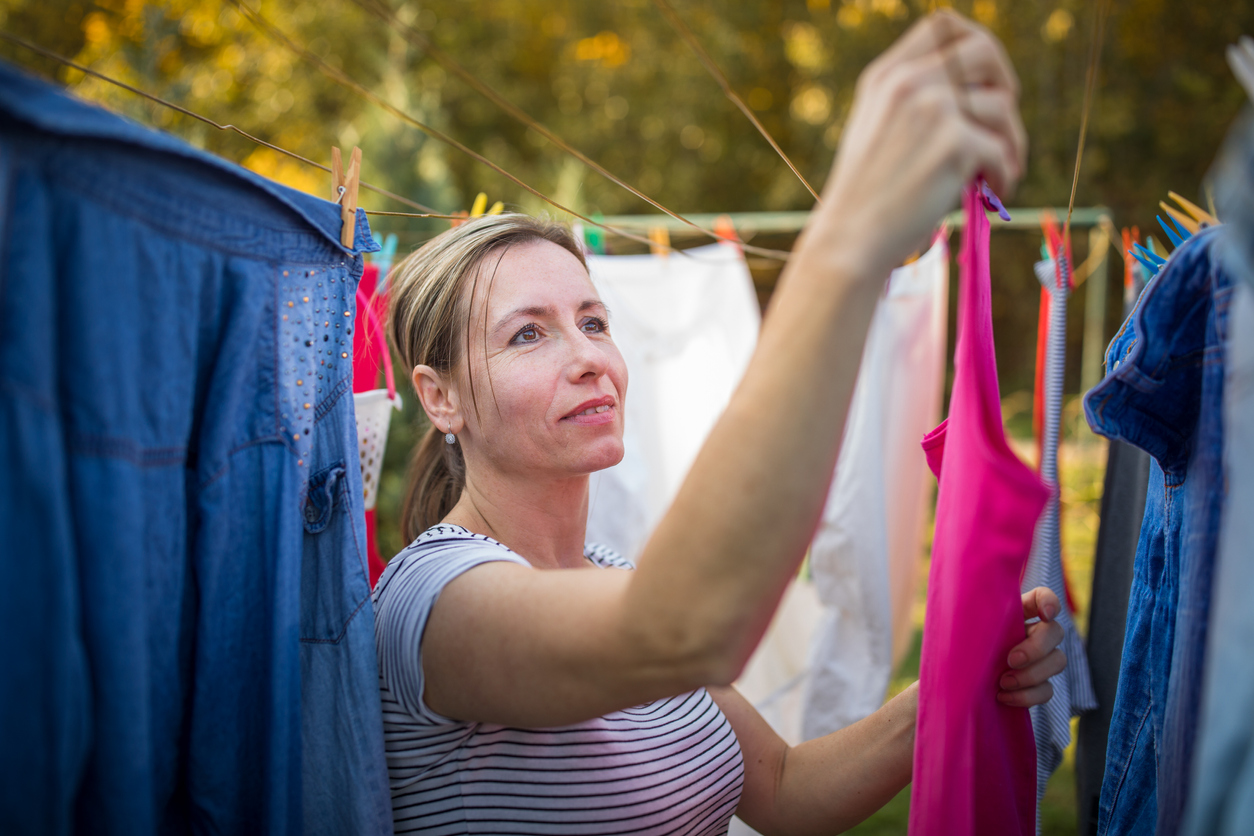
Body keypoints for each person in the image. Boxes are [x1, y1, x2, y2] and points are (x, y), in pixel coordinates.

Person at [373, 11, 1066, 835]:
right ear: (438, 396)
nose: (589, 355)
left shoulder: (607, 571)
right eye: (528, 333)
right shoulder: (436, 601)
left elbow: (780, 787)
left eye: (594, 322)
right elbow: (681, 631)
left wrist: (952, 681)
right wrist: (849, 236)